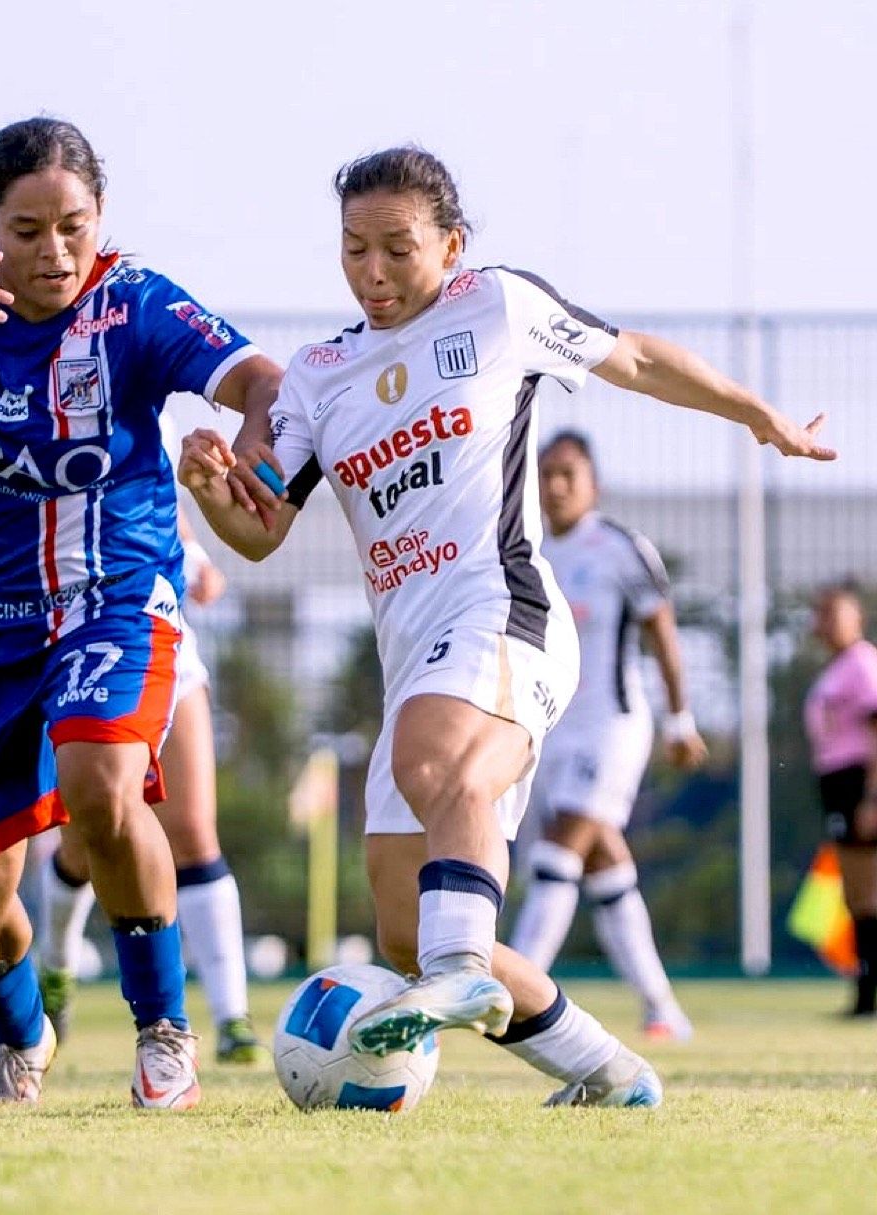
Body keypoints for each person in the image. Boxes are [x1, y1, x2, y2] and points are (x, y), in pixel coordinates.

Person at [179, 145, 832, 1106]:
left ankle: (459, 973)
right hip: (414, 652)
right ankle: (608, 1072)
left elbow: (640, 357)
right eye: (354, 249)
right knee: (406, 923)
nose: (373, 271)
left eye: (398, 248)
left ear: (453, 244)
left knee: (435, 768)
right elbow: (261, 530)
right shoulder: (317, 376)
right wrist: (210, 491)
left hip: (507, 609)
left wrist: (757, 413)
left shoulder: (497, 307)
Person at [0, 117, 285, 1108]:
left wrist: (246, 449)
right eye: (27, 229)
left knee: (104, 784)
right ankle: (23, 1038)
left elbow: (263, 382)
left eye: (74, 224)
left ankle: (164, 1029)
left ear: (99, 218)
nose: (54, 251)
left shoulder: (135, 304)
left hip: (108, 596)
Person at [40, 511, 270, 1064]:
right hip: (71, 630)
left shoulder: (147, 422)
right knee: (87, 836)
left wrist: (198, 559)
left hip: (152, 622)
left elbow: (160, 492)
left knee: (192, 829)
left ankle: (230, 1017)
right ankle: (56, 965)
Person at [508, 431, 704, 1040]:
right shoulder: (524, 549)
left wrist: (680, 719)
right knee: (604, 864)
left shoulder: (619, 548)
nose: (556, 485)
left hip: (613, 726)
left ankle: (511, 993)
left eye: (569, 473)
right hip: (550, 727)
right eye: (546, 473)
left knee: (558, 850)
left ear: (594, 484)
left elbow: (662, 634)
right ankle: (662, 1009)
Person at [802, 583, 877, 1017]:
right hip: (838, 785)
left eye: (836, 613)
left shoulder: (861, 663)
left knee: (866, 895)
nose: (826, 623)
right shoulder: (839, 666)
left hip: (856, 785)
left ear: (858, 618)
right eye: (822, 613)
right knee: (858, 896)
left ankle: (867, 997)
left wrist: (871, 797)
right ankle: (865, 992)